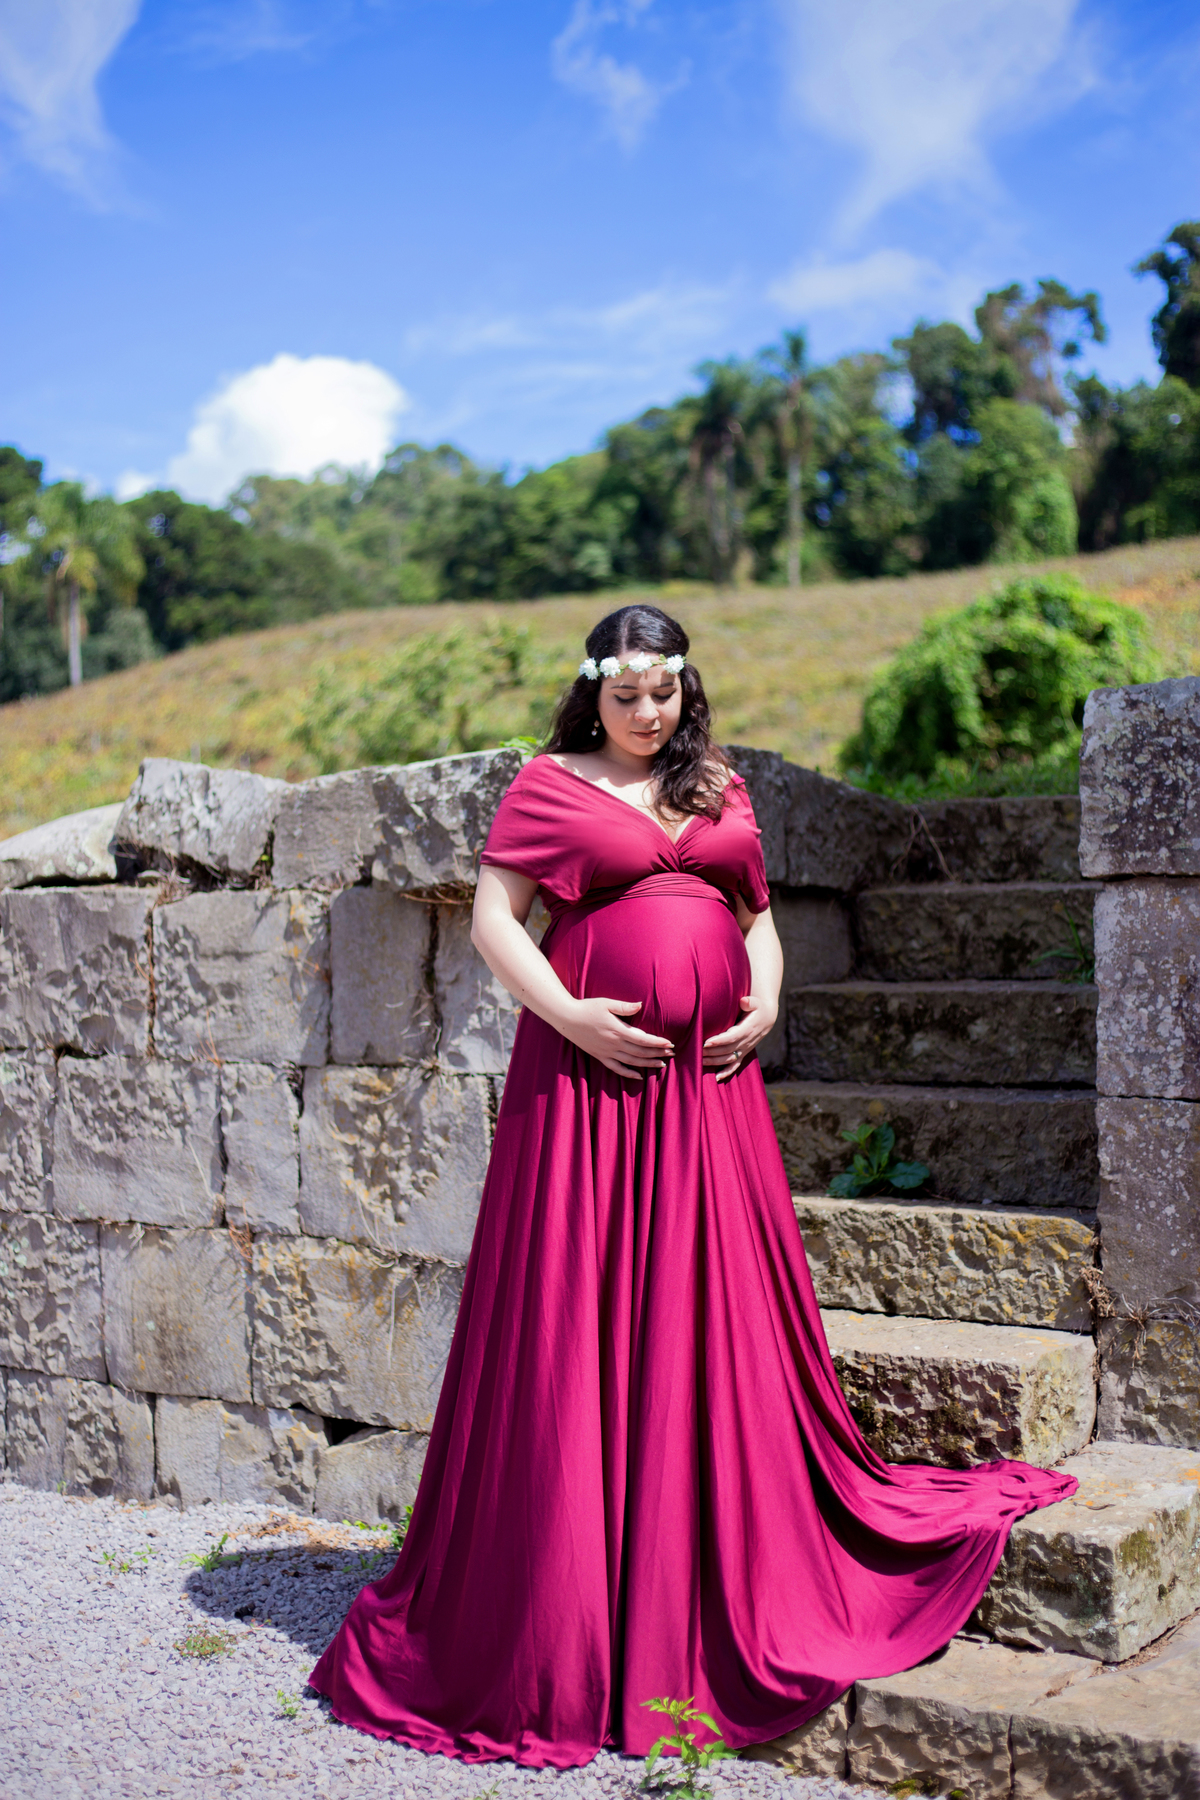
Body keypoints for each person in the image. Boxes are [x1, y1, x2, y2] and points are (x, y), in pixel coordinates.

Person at [309, 604, 1076, 1768]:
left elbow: (754, 921)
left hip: (708, 1100)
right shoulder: (550, 786)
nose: (647, 714)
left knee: (703, 1313)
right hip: (589, 1094)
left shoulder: (716, 785)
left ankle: (702, 1554)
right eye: (627, 697)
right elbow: (492, 920)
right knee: (585, 1318)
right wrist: (567, 1011)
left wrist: (765, 1001)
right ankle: (577, 1612)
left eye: (663, 695)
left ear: (684, 690)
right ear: (594, 692)